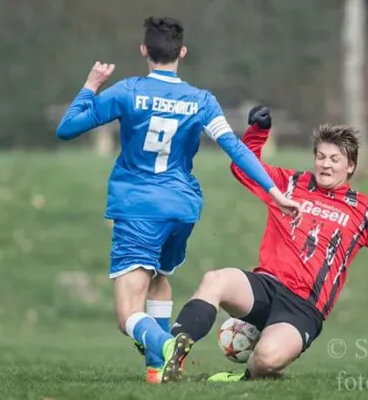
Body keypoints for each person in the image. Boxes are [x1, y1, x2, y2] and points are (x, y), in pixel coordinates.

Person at [55, 17, 300, 384]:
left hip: (138, 208)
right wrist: (274, 191)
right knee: (158, 279)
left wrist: (90, 86)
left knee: (127, 316)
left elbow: (67, 128)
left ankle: (167, 346)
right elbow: (234, 147)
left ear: (144, 51)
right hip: (181, 210)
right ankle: (158, 370)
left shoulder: (127, 91)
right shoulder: (201, 100)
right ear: (181, 52)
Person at [162, 106, 368, 382]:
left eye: (334, 159)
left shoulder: (366, 210)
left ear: (351, 166)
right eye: (321, 156)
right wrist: (257, 132)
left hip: (303, 308)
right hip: (266, 287)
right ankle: (171, 354)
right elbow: (244, 168)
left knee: (266, 359)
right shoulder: (290, 183)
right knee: (216, 280)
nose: (325, 165)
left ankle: (247, 379)